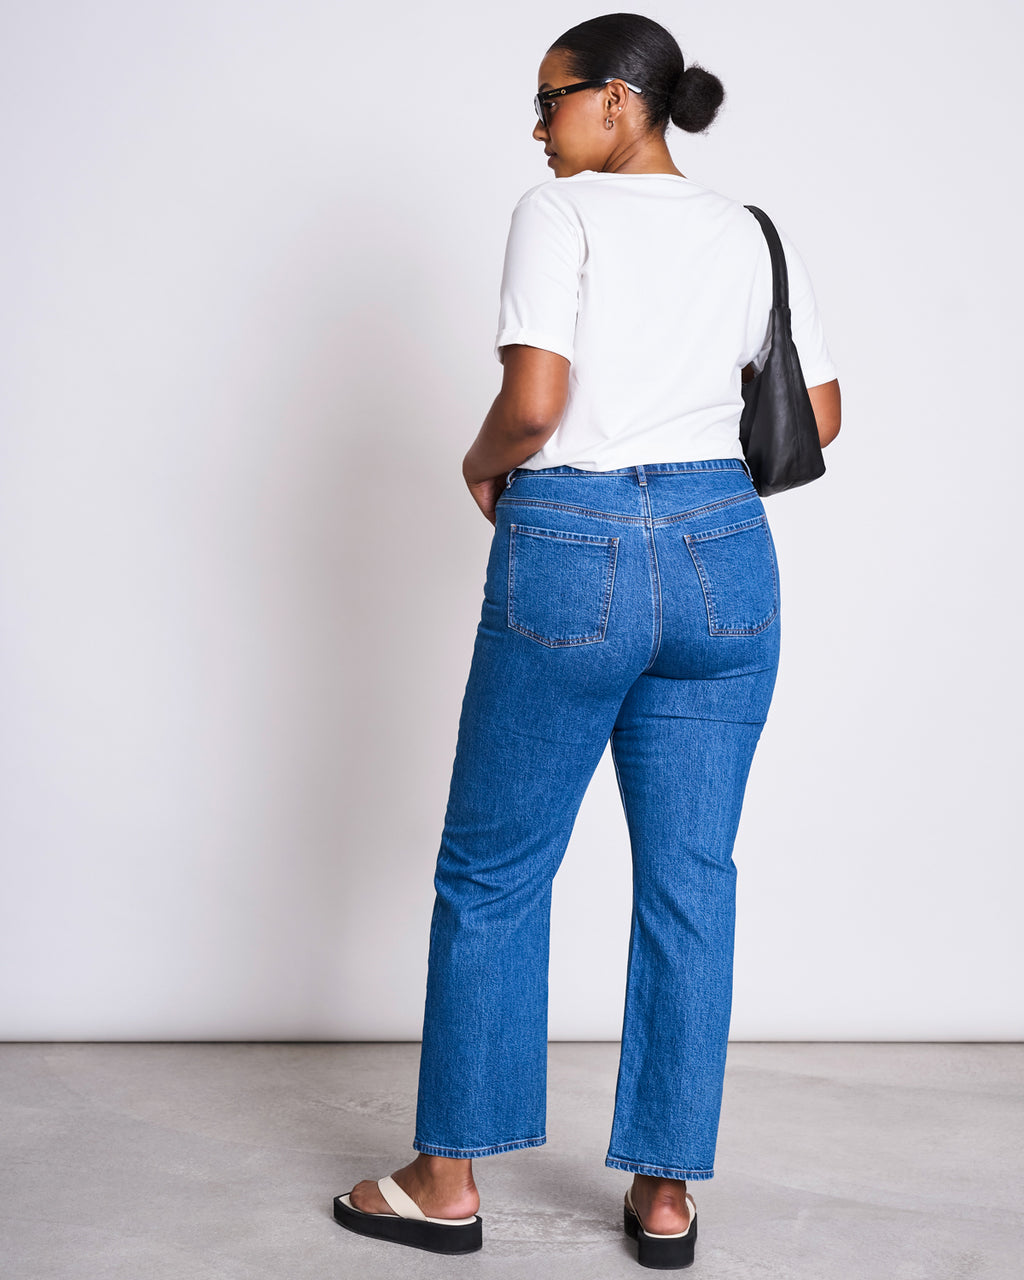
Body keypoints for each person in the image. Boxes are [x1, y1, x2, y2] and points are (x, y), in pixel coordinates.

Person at [333, 11, 841, 1269]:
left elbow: (536, 402)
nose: (537, 127)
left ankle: (446, 1176)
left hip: (574, 542)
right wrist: (689, 495)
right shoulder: (746, 230)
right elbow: (821, 413)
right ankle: (664, 1193)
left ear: (619, 100)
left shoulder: (556, 212)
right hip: (726, 554)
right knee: (691, 878)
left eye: (550, 99)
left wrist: (478, 460)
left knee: (495, 869)